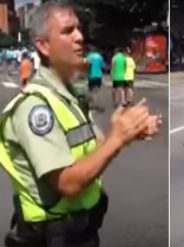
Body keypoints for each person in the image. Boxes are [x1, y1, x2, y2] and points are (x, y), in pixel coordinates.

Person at [0, 3, 161, 247]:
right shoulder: (36, 108)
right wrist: (118, 139)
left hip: (80, 235)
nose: (79, 37)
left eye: (78, 29)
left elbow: (95, 151)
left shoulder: (69, 97)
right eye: (68, 31)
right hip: (50, 239)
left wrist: (126, 132)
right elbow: (68, 183)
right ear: (43, 45)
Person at [86, 46, 106, 110]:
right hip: (98, 76)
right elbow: (103, 66)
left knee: (90, 90)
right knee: (96, 91)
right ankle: (94, 103)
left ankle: (92, 104)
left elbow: (85, 65)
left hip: (91, 75)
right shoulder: (99, 57)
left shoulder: (89, 56)